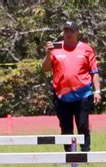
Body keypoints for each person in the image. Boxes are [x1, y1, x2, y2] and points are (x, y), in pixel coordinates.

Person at [42, 21, 102, 152]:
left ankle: (85, 153)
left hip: (83, 95)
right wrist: (47, 54)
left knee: (82, 125)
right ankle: (69, 155)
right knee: (66, 127)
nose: (68, 34)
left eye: (71, 31)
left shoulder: (86, 49)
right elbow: (45, 68)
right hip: (62, 97)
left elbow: (94, 72)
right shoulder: (55, 48)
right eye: (66, 31)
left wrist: (97, 91)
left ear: (77, 33)